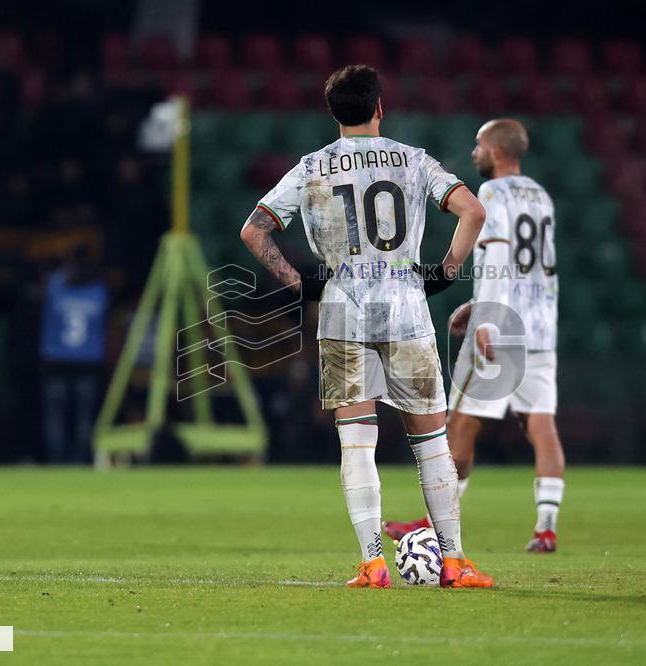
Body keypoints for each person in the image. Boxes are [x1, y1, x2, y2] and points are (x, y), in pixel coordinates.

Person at [240, 65, 492, 588]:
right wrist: (444, 274)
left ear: (334, 113)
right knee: (431, 444)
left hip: (342, 308)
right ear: (380, 107)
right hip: (406, 306)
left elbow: (254, 229)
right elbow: (472, 211)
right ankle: (455, 562)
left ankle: (373, 562)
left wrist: (298, 283)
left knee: (357, 442)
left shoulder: (313, 166)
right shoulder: (413, 160)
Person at [383, 119, 567, 552]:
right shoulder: (540, 195)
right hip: (541, 324)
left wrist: (488, 320)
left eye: (480, 145)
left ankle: (432, 524)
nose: (474, 152)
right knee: (541, 425)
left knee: (460, 425)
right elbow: (540, 267)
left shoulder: (491, 193)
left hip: (504, 327)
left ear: (498, 151)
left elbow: (501, 252)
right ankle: (546, 527)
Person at [40, 244, 109, 464]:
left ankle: (64, 462)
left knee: (65, 419)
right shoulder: (98, 289)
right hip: (85, 359)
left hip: (60, 358)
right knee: (80, 419)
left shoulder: (56, 284)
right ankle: (73, 463)